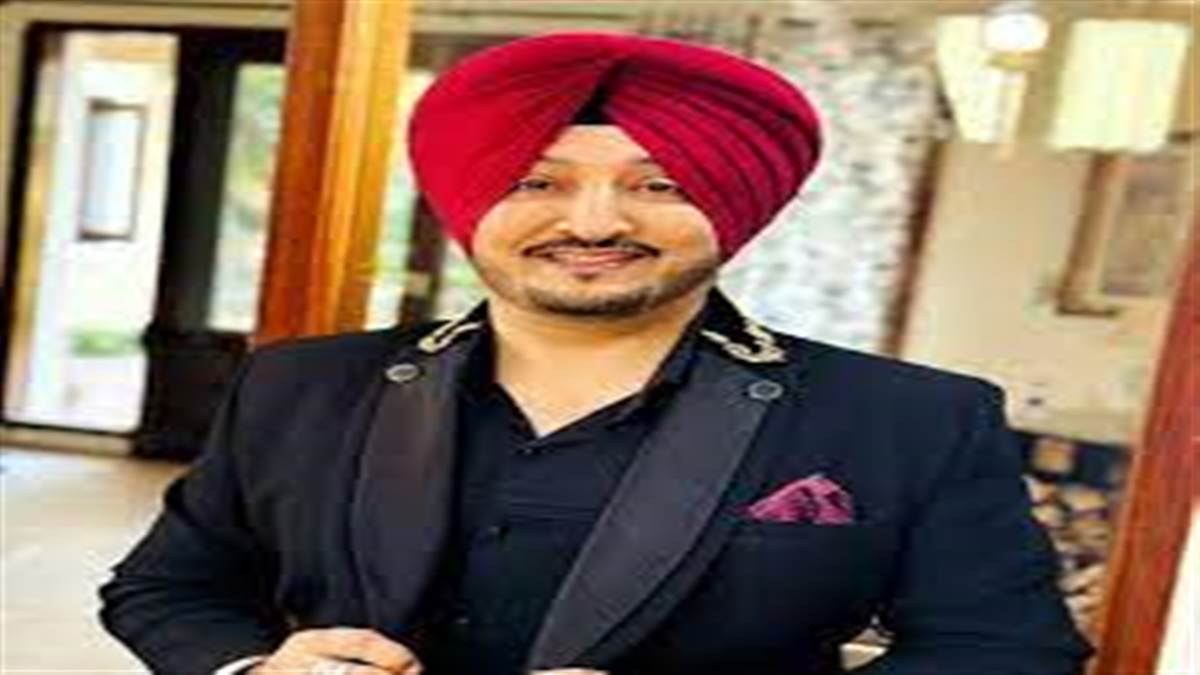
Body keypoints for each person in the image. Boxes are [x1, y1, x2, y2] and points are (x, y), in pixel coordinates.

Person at [98, 32, 1092, 675]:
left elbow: (1006, 654)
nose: (594, 222)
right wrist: (257, 668)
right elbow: (167, 588)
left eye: (659, 185)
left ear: (735, 204)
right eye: (537, 181)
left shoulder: (911, 418)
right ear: (469, 202)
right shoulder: (304, 382)